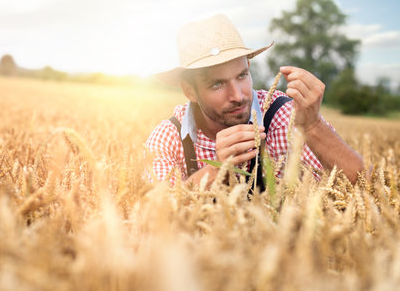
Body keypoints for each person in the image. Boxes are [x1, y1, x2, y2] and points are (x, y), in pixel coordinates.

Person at [145, 14, 364, 189]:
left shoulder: (283, 118)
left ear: (249, 69)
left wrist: (313, 126)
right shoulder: (169, 136)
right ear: (189, 91)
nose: (238, 95)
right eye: (217, 84)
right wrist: (216, 169)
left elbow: (368, 189)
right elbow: (154, 213)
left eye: (241, 76)